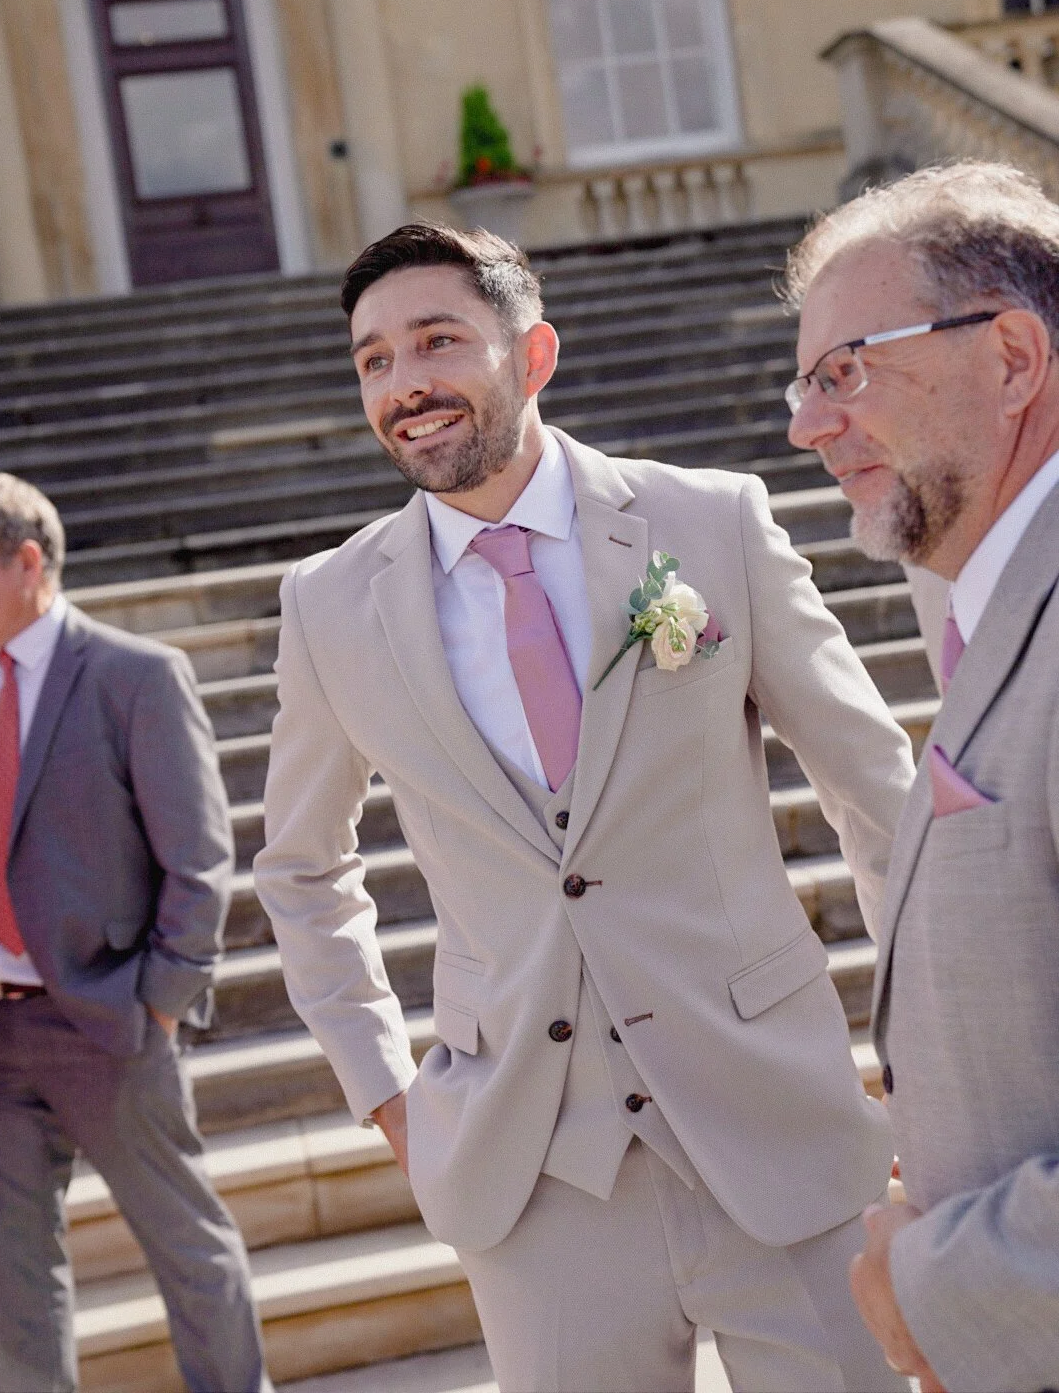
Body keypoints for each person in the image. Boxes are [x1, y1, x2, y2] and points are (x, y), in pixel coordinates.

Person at [254, 222, 915, 1393]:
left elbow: (873, 787)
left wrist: (927, 1047)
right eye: (372, 360)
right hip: (531, 1175)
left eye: (437, 342)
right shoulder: (330, 605)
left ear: (535, 352)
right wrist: (390, 1094)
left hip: (777, 1125)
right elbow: (303, 869)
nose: (405, 384)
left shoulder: (710, 522)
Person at [785, 160, 1059, 1393]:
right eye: (802, 382)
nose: (806, 424)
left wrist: (937, 1283)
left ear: (1013, 356)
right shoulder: (992, 612)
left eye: (847, 370)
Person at [0, 473, 270, 1393]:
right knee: (15, 1279)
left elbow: (199, 855)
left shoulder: (134, 676)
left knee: (189, 1250)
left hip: (107, 1023)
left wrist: (162, 1002)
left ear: (27, 563)